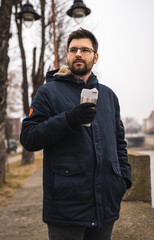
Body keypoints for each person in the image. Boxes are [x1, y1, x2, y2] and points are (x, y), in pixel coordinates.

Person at [20, 28, 132, 240]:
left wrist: (123, 178)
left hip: (106, 204)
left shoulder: (108, 96)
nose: (78, 54)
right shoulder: (48, 92)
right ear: (67, 55)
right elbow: (29, 137)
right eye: (73, 50)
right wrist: (68, 119)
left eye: (85, 49)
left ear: (95, 56)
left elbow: (119, 142)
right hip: (66, 207)